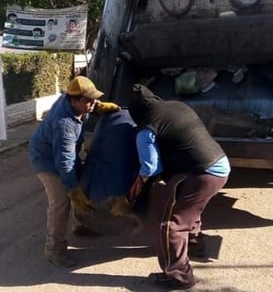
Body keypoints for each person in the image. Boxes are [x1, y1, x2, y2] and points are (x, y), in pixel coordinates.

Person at [128, 84, 231, 290]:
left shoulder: (146, 128)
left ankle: (178, 277)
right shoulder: (177, 106)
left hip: (202, 172)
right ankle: (196, 246)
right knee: (189, 209)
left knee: (171, 225)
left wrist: (137, 185)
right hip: (220, 164)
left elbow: (151, 167)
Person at [29, 75, 120, 268]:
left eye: (94, 98)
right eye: (89, 100)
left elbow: (69, 157)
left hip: (61, 153)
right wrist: (73, 190)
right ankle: (54, 250)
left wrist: (98, 106)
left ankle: (81, 226)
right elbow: (65, 162)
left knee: (82, 184)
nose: (93, 103)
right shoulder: (64, 125)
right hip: (46, 161)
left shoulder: (71, 99)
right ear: (74, 100)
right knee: (61, 202)